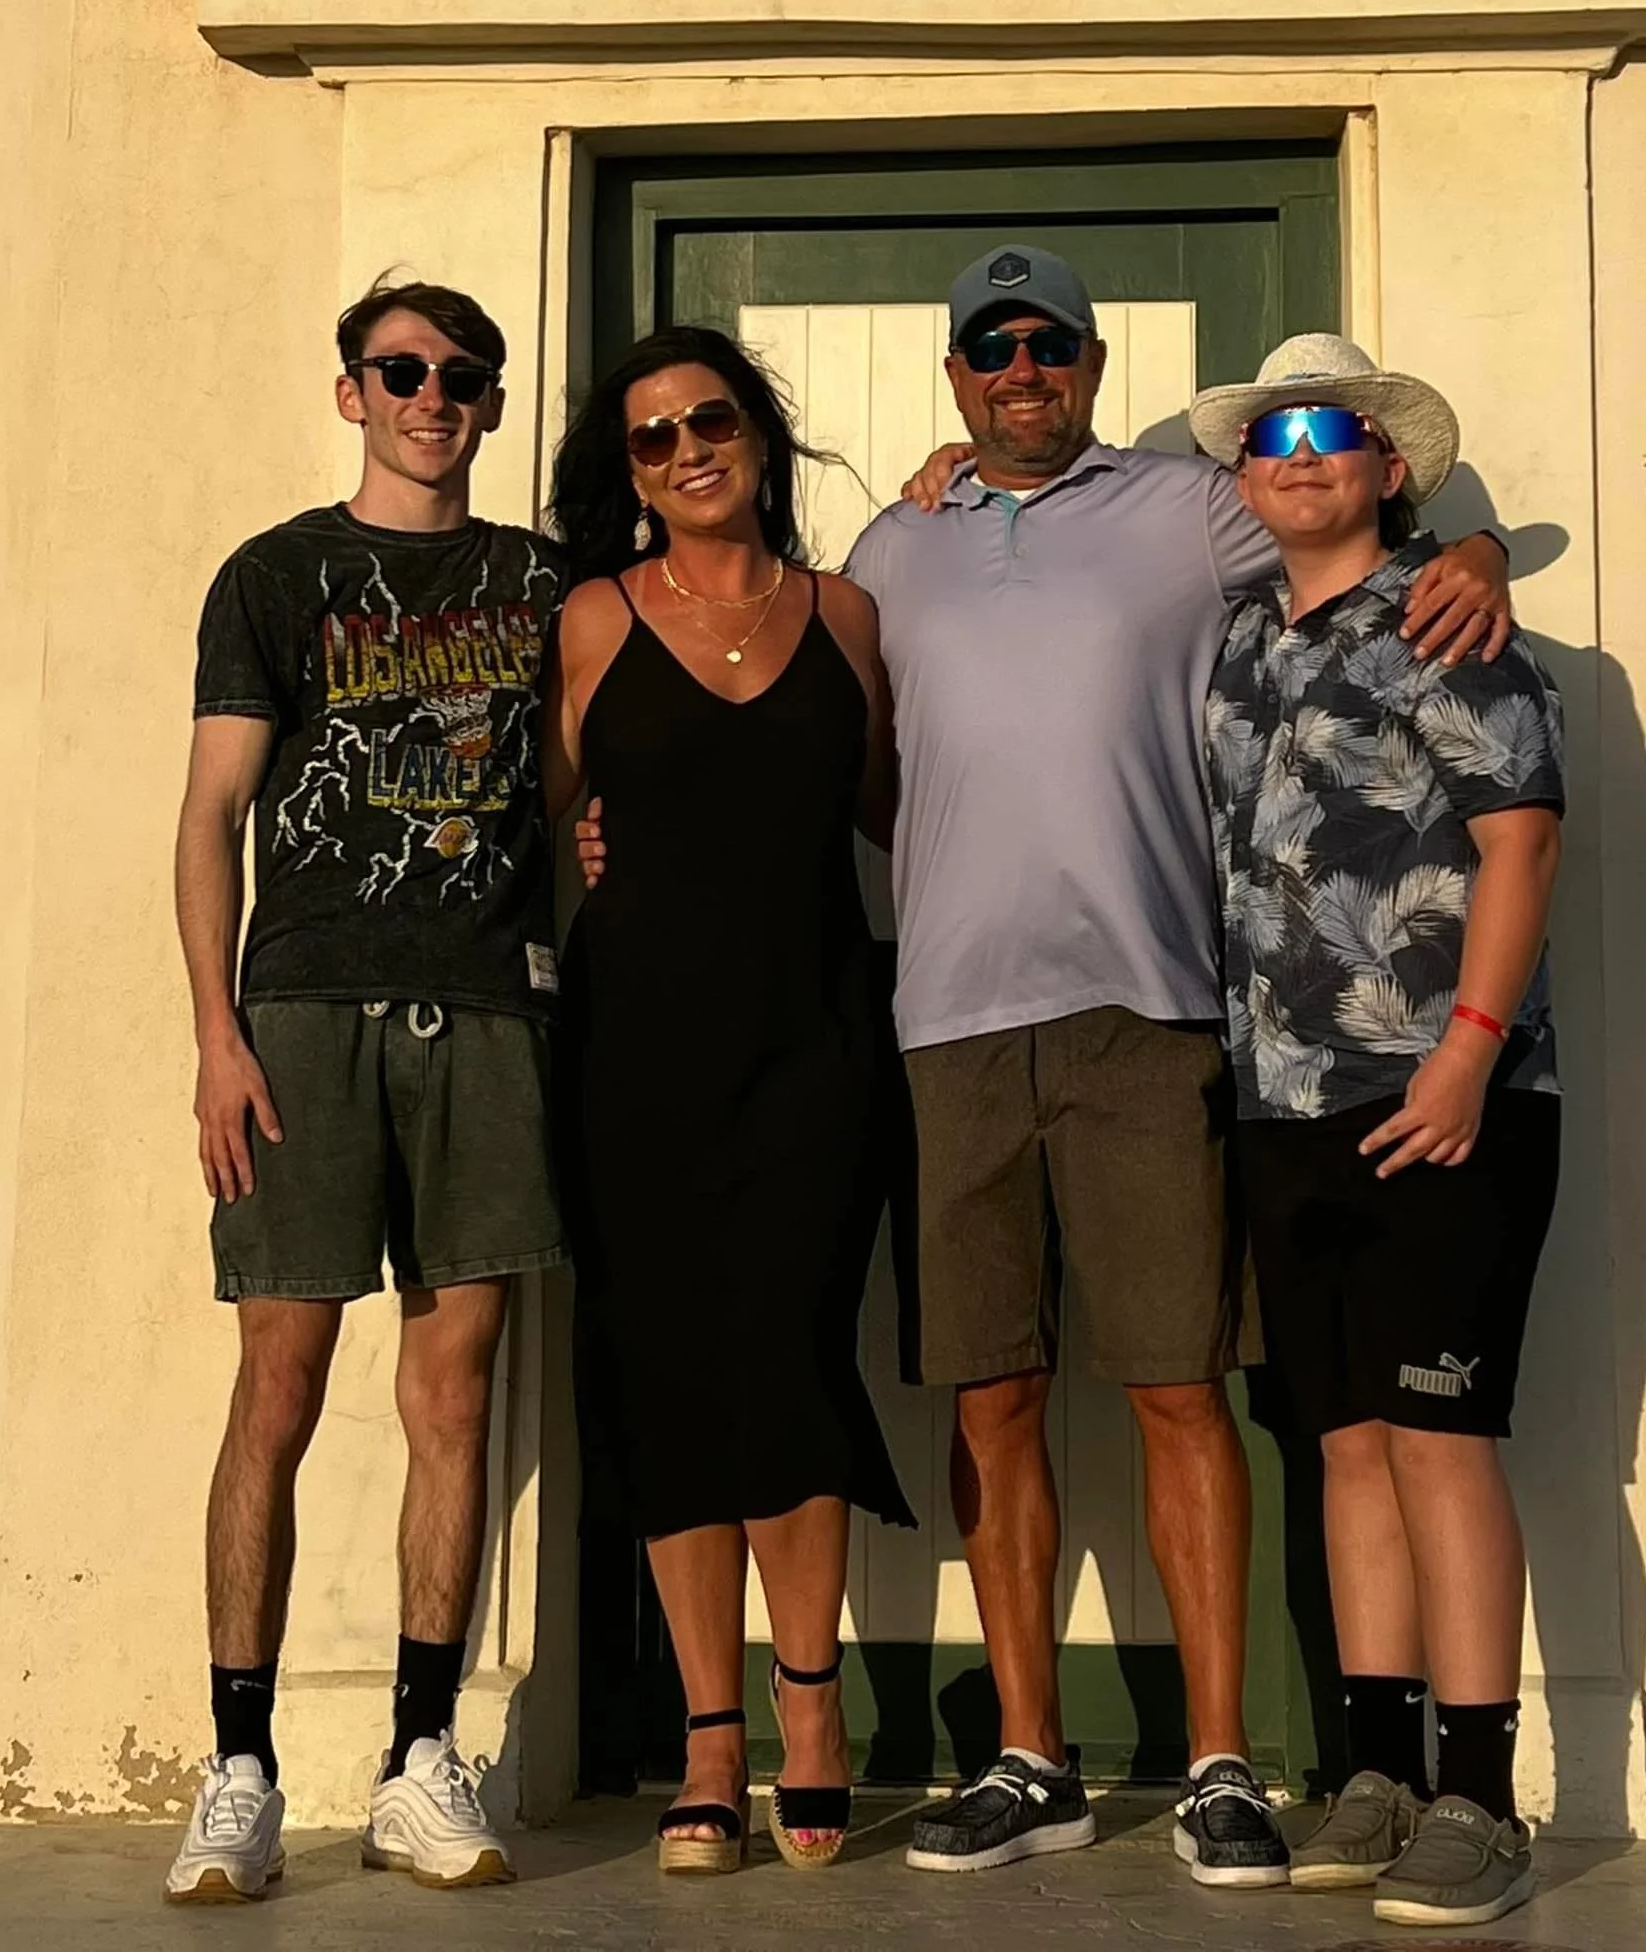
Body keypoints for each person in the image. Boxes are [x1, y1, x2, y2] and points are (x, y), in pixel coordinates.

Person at [578, 246, 1513, 1884]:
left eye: (1050, 342)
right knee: (992, 1398)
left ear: (1087, 360)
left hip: (1148, 1007)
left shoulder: (1184, 505)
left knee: (1176, 1387)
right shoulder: (884, 554)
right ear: (953, 378)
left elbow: (1354, 522)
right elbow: (842, 771)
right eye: (991, 347)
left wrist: (1480, 546)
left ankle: (1220, 1758)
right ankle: (1031, 1753)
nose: (1022, 366)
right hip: (941, 1024)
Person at [165, 275, 566, 1904]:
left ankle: (419, 1755)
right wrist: (214, 1029)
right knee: (280, 1382)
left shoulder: (544, 582)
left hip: (486, 1012)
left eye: (464, 376)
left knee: (454, 1393)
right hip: (304, 1013)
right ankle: (240, 1764)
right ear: (352, 391)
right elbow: (209, 815)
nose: (434, 396)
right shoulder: (274, 575)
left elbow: (587, 778)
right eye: (403, 370)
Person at [1192, 336, 1563, 1929]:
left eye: (1332, 427)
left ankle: (1480, 1794)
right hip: (1282, 1101)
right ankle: (1379, 1769)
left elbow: (1520, 842)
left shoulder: (1452, 621)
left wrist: (1470, 1051)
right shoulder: (1233, 642)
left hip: (1438, 1103)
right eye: (1272, 431)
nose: (1299, 450)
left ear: (1389, 464)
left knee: (1439, 1439)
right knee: (1341, 1442)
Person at [545, 326, 914, 1876]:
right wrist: (579, 855)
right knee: (669, 1385)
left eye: (711, 419)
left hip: (814, 1051)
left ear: (758, 435)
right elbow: (547, 814)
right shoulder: (591, 619)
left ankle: (809, 1710)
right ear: (628, 476)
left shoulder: (847, 613)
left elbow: (894, 808)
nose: (688, 449)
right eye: (651, 438)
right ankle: (709, 1739)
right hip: (634, 1060)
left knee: (791, 1369)